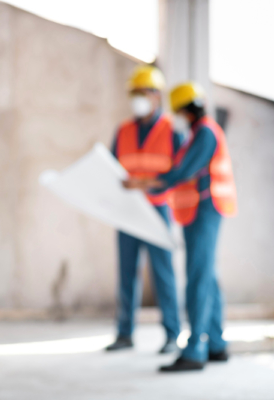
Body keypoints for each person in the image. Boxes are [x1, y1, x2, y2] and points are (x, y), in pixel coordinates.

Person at [152, 82, 237, 371]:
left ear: (183, 111)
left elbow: (184, 171)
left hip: (204, 210)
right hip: (200, 211)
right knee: (208, 277)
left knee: (198, 278)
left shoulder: (205, 133)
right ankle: (216, 344)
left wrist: (151, 182)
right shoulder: (199, 133)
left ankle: (194, 350)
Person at [106, 65, 181, 354]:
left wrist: (148, 185)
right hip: (127, 211)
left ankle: (172, 335)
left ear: (156, 96)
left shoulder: (171, 129)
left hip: (158, 209)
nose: (137, 98)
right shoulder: (123, 130)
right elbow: (112, 167)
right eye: (133, 93)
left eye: (142, 93)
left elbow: (180, 172)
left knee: (163, 274)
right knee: (126, 273)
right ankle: (124, 333)